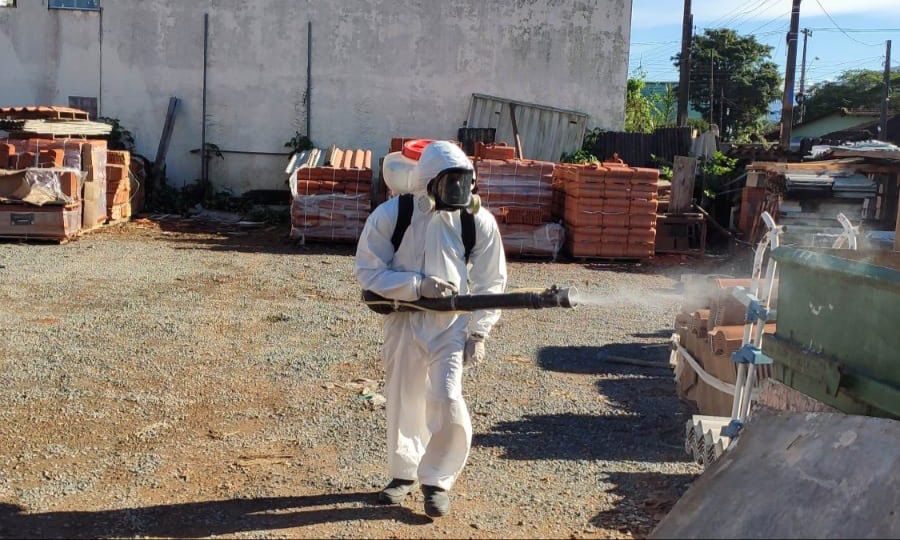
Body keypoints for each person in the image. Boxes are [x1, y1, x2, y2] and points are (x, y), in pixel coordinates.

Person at [354, 141, 507, 517]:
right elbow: (368, 271)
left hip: (449, 325)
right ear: (428, 182)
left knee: (446, 395)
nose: (459, 190)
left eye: (464, 182)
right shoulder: (394, 214)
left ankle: (437, 479)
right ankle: (403, 473)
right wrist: (417, 285)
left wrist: (479, 331)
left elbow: (491, 280)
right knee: (404, 395)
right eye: (450, 182)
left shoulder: (476, 220)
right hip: (404, 318)